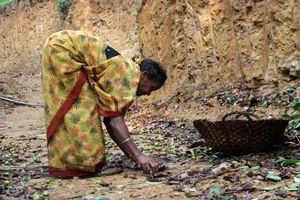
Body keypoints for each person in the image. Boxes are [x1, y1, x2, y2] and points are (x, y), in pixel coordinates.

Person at [41, 30, 167, 177]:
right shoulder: (128, 76)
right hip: (63, 50)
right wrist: (139, 156)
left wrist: (135, 157)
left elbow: (111, 121)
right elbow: (114, 121)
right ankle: (85, 165)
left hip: (57, 45)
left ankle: (71, 163)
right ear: (143, 76)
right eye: (151, 87)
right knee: (83, 109)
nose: (148, 93)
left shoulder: (126, 70)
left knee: (75, 108)